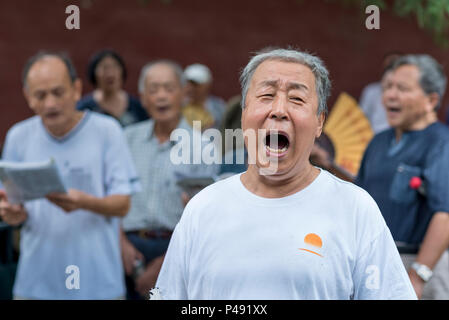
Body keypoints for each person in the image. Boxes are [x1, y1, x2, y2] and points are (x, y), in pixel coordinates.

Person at [153, 48, 416, 300]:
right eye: (266, 95)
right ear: (244, 114)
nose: (279, 110)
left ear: (319, 122)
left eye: (297, 99)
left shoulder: (355, 208)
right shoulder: (203, 207)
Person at [0, 51, 139, 299]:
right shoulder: (18, 137)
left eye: (58, 92)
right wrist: (11, 214)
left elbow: (122, 205)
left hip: (98, 284)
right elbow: (12, 206)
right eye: (40, 95)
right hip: (36, 282)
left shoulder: (107, 131)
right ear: (28, 96)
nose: (50, 103)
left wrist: (84, 202)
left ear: (76, 89)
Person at [120, 60, 218, 299]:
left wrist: (166, 261)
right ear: (143, 98)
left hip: (176, 249)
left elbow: (206, 218)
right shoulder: (125, 140)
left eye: (169, 88)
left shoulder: (202, 146)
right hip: (126, 251)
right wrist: (120, 244)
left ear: (184, 94)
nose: (161, 96)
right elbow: (109, 195)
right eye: (153, 90)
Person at [356, 54, 449, 299]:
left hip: (423, 265)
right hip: (376, 264)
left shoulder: (441, 143)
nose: (390, 95)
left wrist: (418, 276)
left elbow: (445, 215)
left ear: (431, 100)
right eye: (388, 87)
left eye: (402, 88)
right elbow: (358, 198)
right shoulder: (378, 142)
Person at [77, 49, 149, 127]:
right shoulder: (84, 109)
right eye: (105, 68)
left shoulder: (137, 107)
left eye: (115, 67)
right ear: (94, 73)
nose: (110, 74)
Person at [359, 52, 401, 134]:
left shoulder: (408, 95)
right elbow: (361, 120)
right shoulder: (372, 91)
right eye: (390, 66)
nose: (391, 95)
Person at [182, 63, 226, 131]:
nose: (190, 88)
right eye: (187, 83)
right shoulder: (178, 106)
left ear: (206, 85)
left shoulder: (219, 107)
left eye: (195, 84)